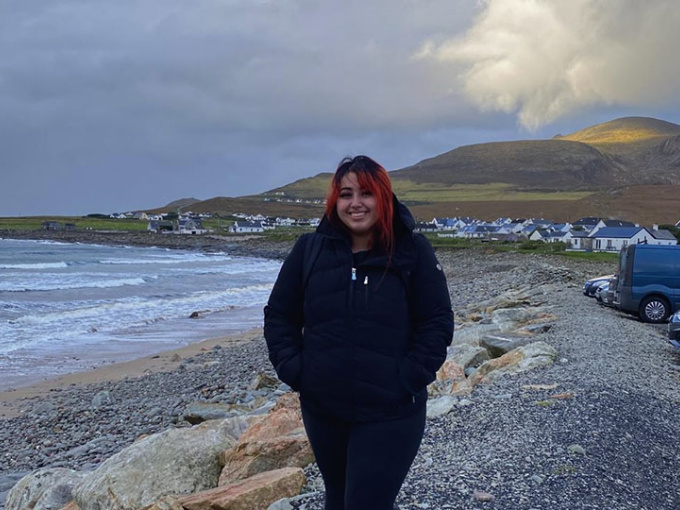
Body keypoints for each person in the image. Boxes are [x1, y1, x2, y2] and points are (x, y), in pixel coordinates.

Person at [264, 155, 454, 510]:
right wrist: (298, 372)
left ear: (383, 197)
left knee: (367, 503)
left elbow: (437, 322)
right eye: (346, 194)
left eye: (366, 193)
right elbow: (279, 315)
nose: (355, 204)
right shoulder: (309, 250)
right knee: (338, 499)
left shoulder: (413, 251)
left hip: (391, 410)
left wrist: (407, 378)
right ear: (334, 201)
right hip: (324, 409)